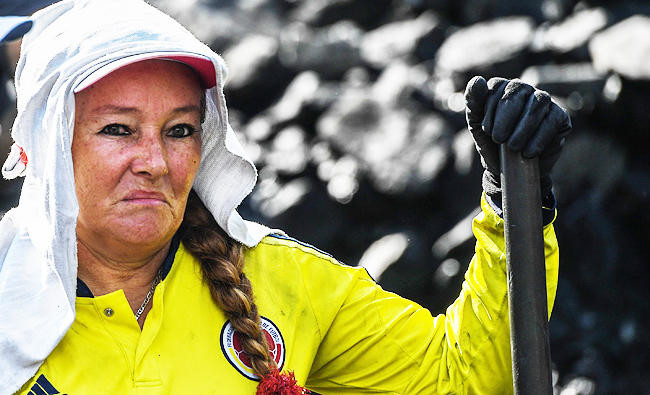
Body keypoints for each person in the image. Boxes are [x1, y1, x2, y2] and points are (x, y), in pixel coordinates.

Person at [0, 0, 570, 394]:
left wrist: (510, 207)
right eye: (118, 130)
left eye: (179, 130)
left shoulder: (278, 279)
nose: (153, 162)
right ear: (47, 146)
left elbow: (463, 380)